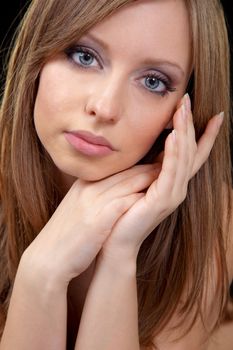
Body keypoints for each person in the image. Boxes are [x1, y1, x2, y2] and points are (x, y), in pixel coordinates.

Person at [0, 0, 232, 349]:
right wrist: (41, 275)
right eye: (84, 56)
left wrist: (121, 254)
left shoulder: (213, 222)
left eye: (153, 81)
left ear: (184, 109)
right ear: (37, 51)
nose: (105, 107)